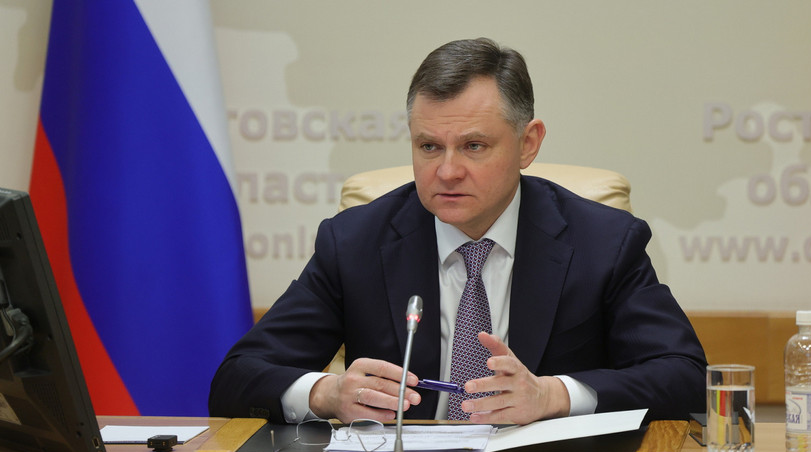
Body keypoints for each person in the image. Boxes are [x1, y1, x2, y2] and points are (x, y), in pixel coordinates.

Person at [209, 37, 707, 426]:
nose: (446, 172)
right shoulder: (356, 242)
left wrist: (552, 395)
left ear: (528, 144)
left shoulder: (603, 243)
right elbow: (236, 379)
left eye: (473, 146)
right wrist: (327, 393)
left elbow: (685, 377)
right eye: (429, 147)